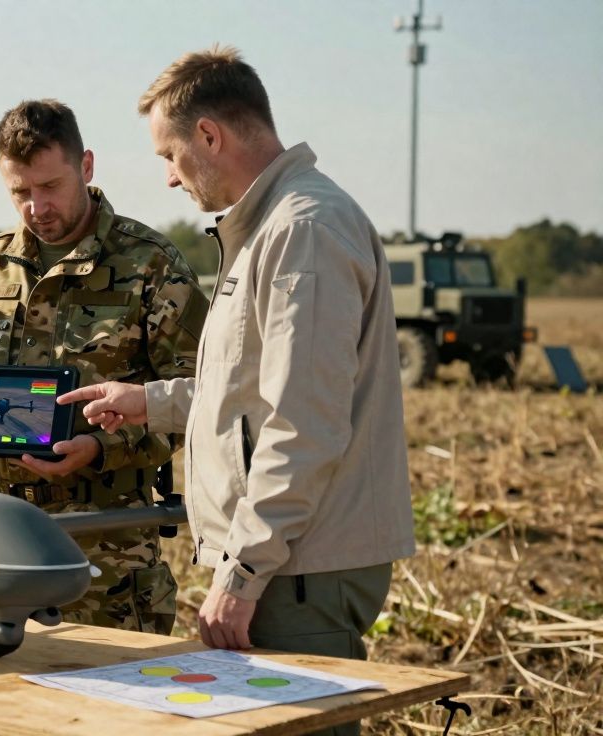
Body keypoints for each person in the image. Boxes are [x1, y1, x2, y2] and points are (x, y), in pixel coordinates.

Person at [61, 47, 415, 732]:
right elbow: (251, 387)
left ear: (210, 136)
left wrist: (242, 574)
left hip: (297, 570)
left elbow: (301, 423)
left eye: (168, 154)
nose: (167, 178)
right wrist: (147, 403)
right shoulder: (270, 228)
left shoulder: (302, 229)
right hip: (287, 560)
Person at [0, 99, 207, 636]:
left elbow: (199, 397)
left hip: (107, 542)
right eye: (20, 192)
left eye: (50, 186)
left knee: (113, 706)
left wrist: (102, 448)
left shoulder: (151, 264)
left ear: (87, 166)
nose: (36, 207)